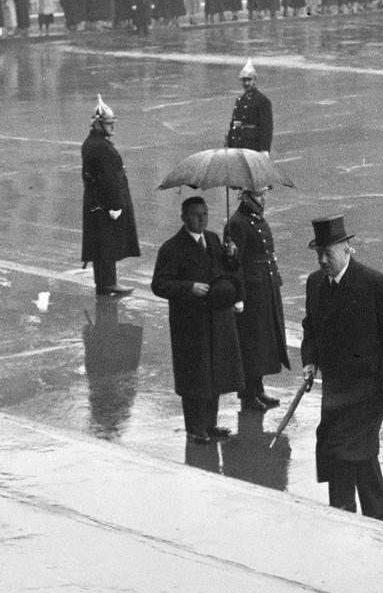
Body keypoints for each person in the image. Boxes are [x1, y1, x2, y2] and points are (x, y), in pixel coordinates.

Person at [300, 214, 383, 521]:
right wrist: (309, 359)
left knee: (348, 447)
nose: (323, 260)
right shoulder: (315, 284)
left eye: (329, 253)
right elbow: (310, 327)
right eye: (319, 254)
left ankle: (351, 511)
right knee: (350, 450)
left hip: (369, 385)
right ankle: (360, 512)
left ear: (346, 249)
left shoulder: (373, 282)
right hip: (335, 387)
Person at [152, 196, 245, 444]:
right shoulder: (172, 248)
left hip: (216, 318)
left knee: (213, 371)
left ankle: (210, 424)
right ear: (184, 218)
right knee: (195, 376)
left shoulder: (214, 240)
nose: (202, 219)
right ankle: (195, 428)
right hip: (190, 323)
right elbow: (159, 284)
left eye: (205, 214)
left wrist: (232, 256)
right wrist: (189, 287)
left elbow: (228, 270)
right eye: (196, 215)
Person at [226, 187, 287, 413]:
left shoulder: (256, 218)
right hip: (251, 292)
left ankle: (258, 387)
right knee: (251, 343)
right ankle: (248, 394)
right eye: (259, 195)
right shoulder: (237, 223)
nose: (264, 198)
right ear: (246, 196)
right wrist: (238, 295)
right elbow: (235, 264)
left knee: (263, 341)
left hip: (265, 288)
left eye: (264, 194)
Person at [80, 95, 141, 296]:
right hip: (105, 202)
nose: (112, 127)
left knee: (102, 244)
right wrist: (116, 204)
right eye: (108, 123)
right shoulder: (101, 147)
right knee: (107, 244)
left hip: (95, 200)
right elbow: (108, 179)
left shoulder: (91, 143)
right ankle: (108, 283)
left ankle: (105, 282)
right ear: (98, 124)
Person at [225, 58, 274, 154]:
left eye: (249, 80)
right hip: (237, 144)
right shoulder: (239, 100)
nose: (246, 83)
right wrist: (229, 143)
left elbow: (267, 127)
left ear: (254, 80)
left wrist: (265, 149)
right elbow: (234, 124)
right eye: (244, 80)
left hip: (252, 145)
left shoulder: (262, 100)